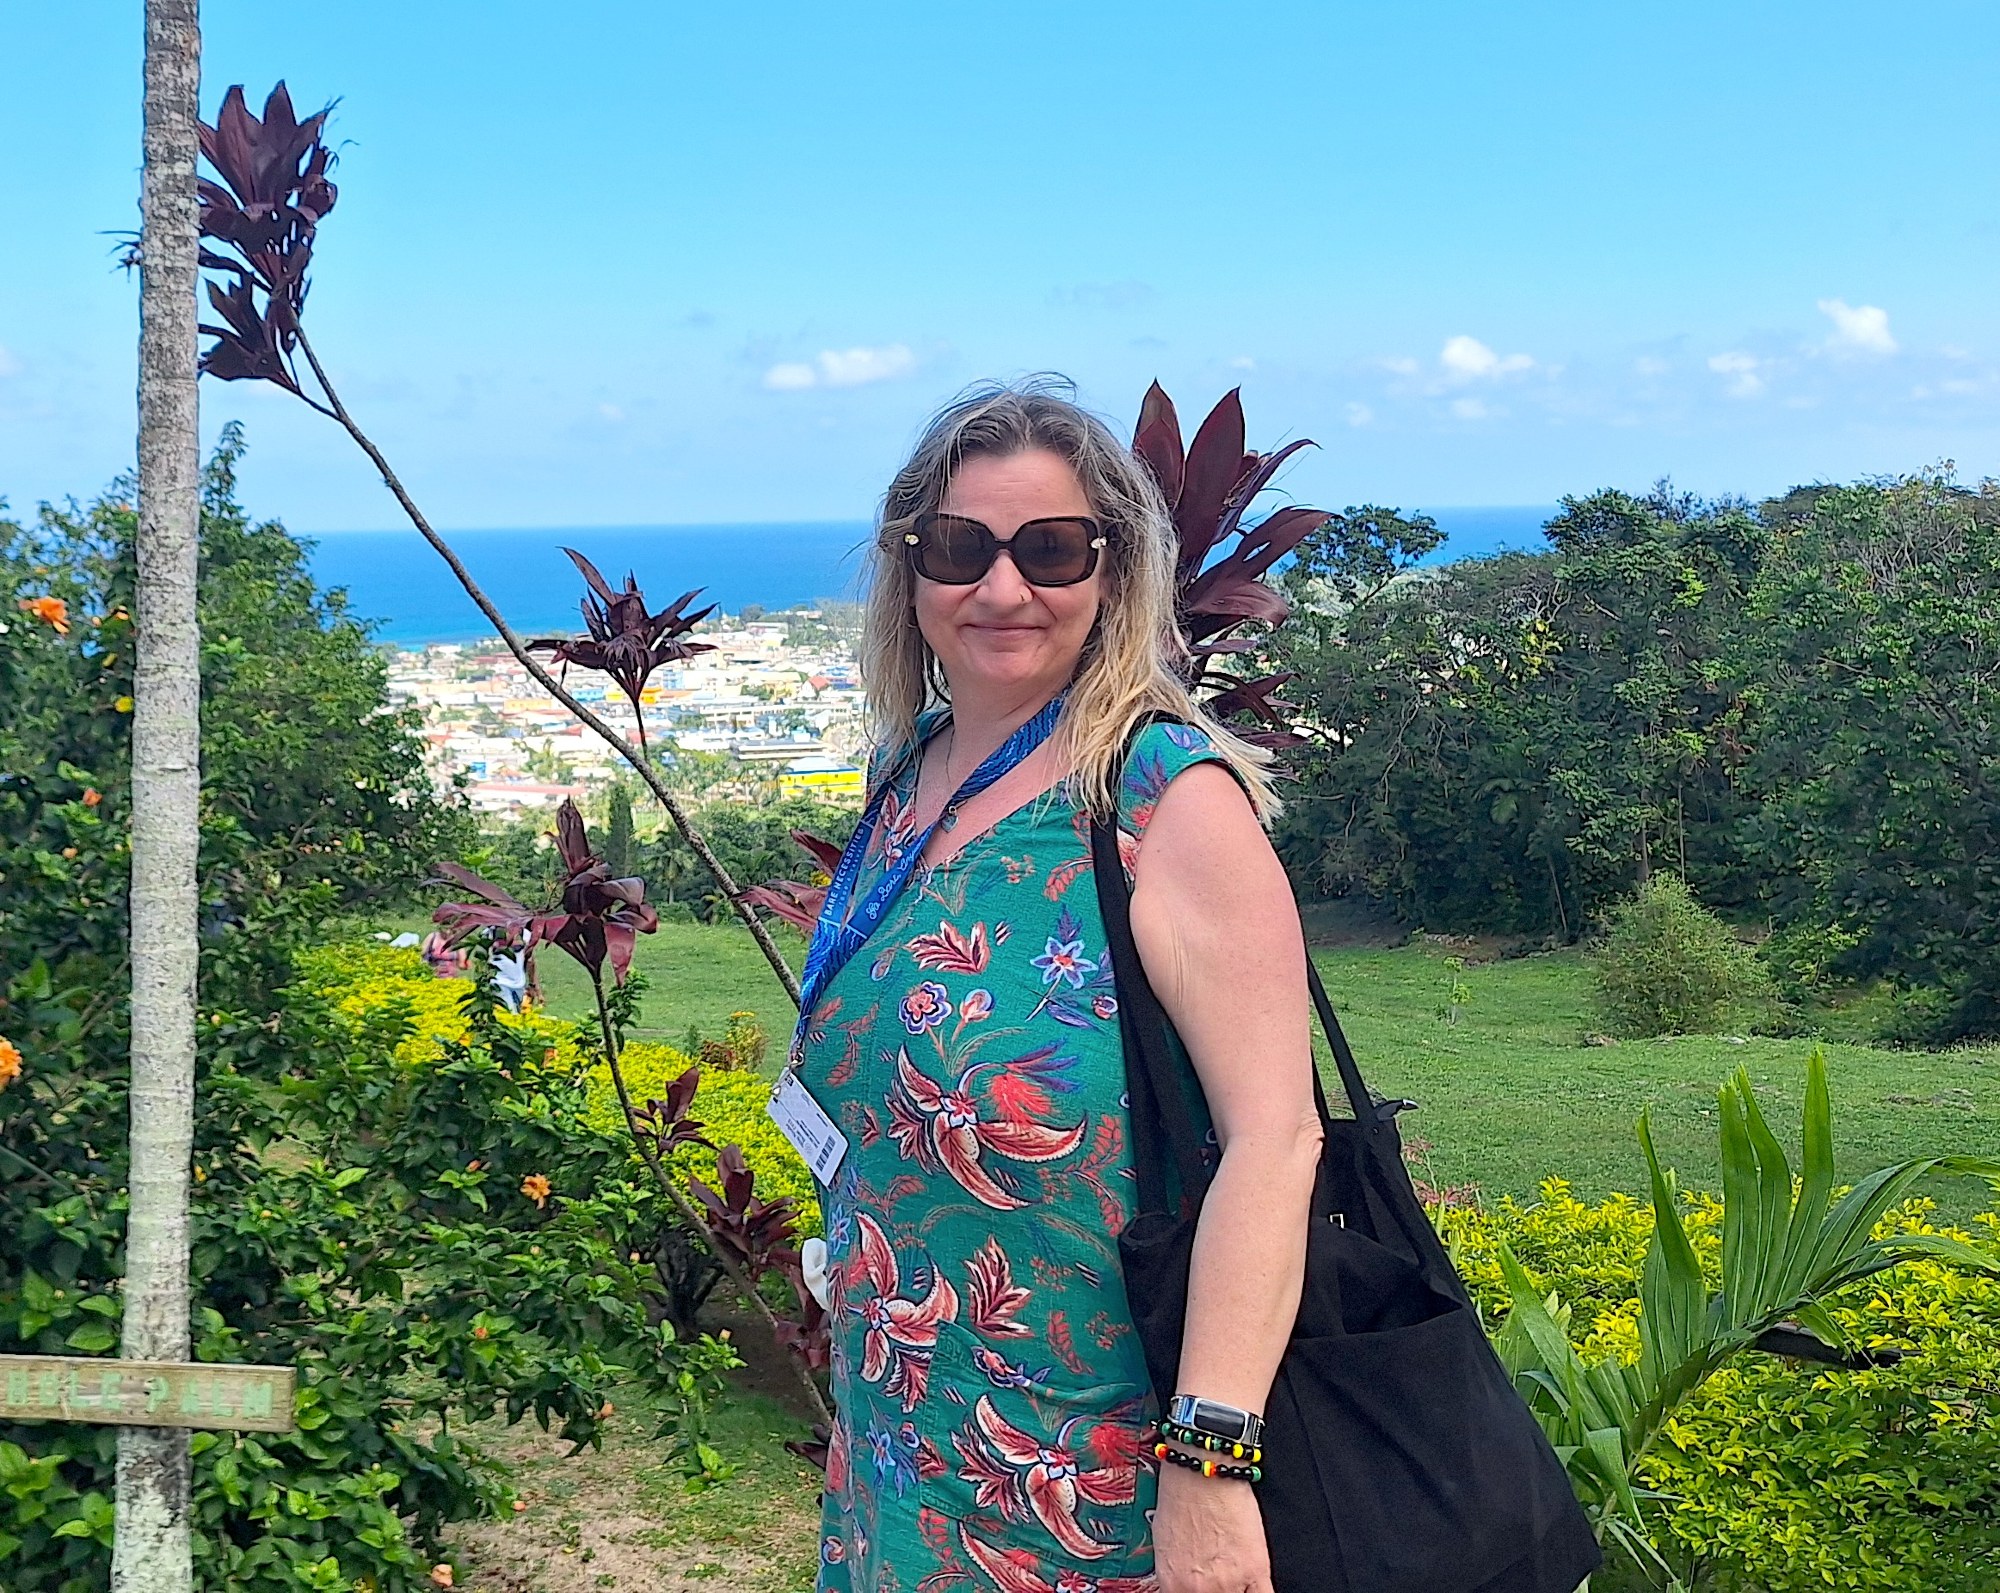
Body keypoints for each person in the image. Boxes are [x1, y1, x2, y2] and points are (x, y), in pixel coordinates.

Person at [790, 382, 1322, 1593]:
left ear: (1111, 571)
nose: (1001, 588)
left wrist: (1208, 1461)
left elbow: (1276, 1139)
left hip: (1090, 1478)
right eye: (958, 547)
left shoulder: (1163, 800)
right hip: (897, 1444)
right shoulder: (908, 772)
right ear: (909, 569)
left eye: (1050, 550)